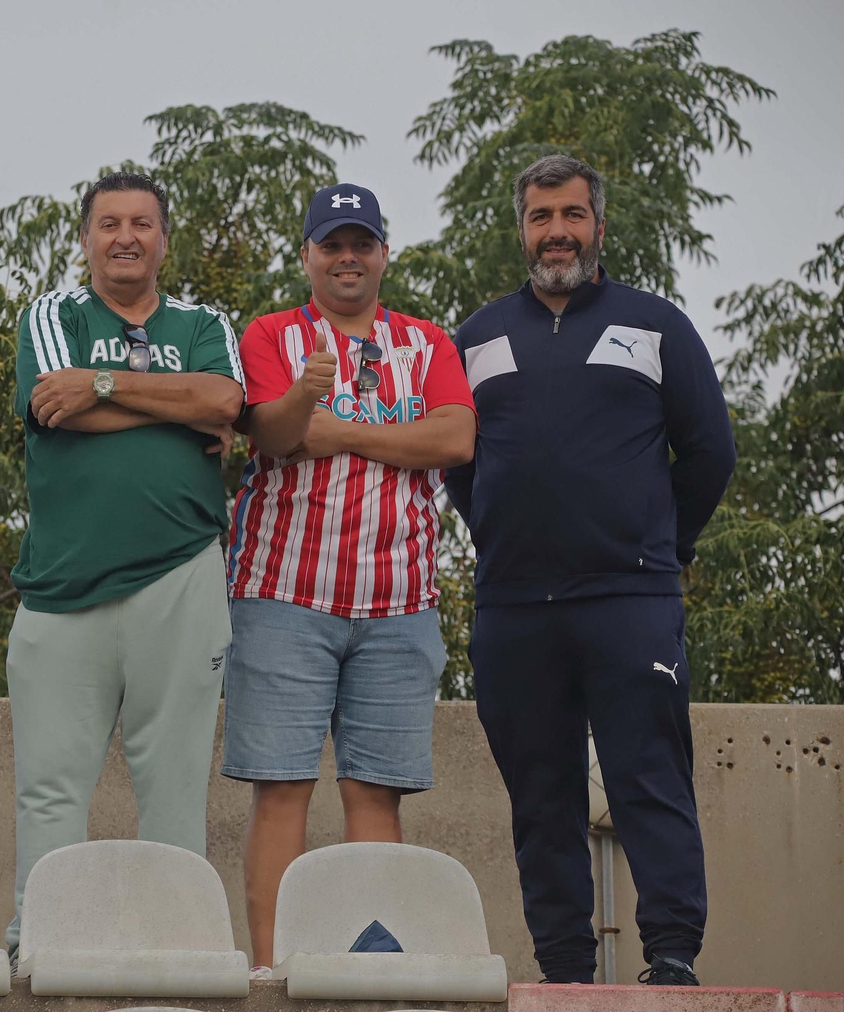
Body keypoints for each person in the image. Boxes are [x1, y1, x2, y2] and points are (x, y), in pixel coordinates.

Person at [445, 154, 736, 987]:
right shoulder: (478, 334)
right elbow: (460, 464)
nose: (557, 232)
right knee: (542, 802)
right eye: (541, 217)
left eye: (572, 215)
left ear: (599, 225)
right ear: (522, 228)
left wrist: (660, 549)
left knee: (650, 781)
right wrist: (505, 533)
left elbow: (710, 451)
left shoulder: (656, 324)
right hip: (513, 609)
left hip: (631, 601)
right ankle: (567, 972)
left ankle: (673, 959)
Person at [224, 182, 477, 975]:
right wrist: (380, 432)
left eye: (360, 242)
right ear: (306, 255)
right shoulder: (269, 334)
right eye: (331, 243)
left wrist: (341, 429)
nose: (346, 257)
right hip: (281, 596)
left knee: (375, 797)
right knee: (282, 790)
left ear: (382, 255)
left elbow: (456, 438)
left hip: (399, 603)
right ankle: (272, 972)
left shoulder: (429, 341)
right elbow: (276, 432)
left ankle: (367, 971)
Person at [5, 171, 245, 958]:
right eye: (109, 223)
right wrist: (173, 402)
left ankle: (177, 952)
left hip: (181, 572)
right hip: (61, 588)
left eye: (142, 223)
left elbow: (223, 402)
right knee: (50, 790)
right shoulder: (52, 313)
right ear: (86, 238)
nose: (126, 237)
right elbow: (50, 401)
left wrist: (103, 383)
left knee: (174, 788)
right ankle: (41, 945)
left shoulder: (203, 320)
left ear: (163, 238)